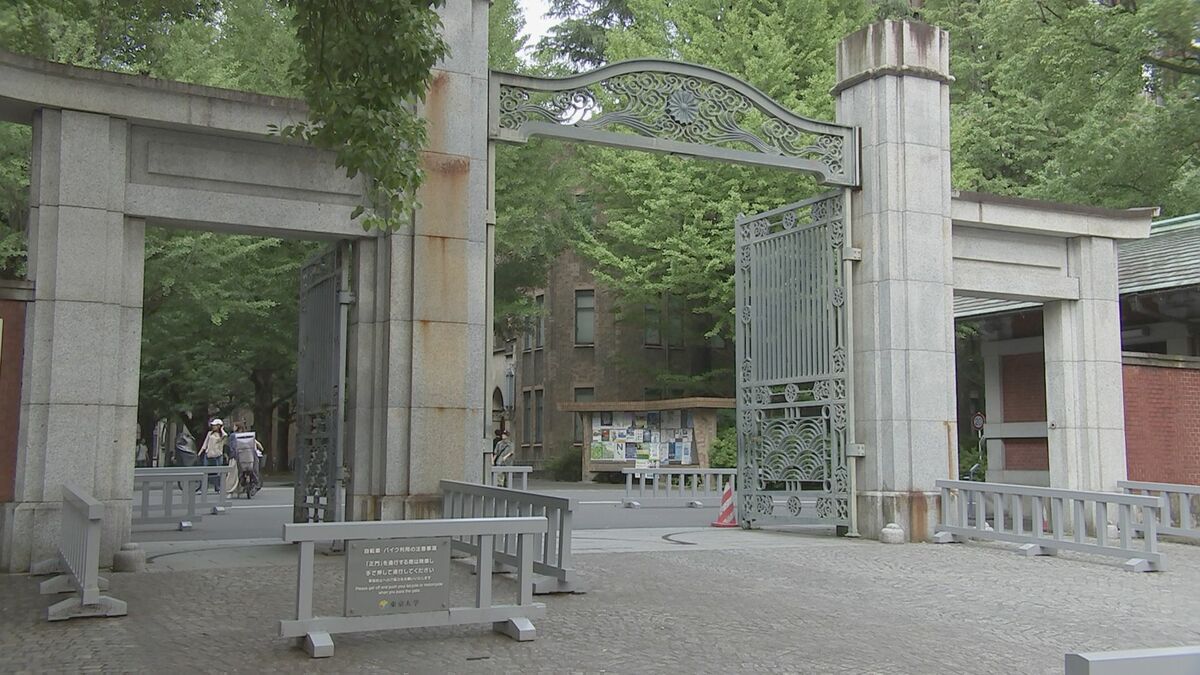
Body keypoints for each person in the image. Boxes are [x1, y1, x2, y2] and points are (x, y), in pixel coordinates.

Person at [198, 418, 228, 493]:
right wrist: (200, 452)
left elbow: (225, 435)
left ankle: (217, 488)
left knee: (218, 472)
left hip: (218, 455)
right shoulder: (209, 433)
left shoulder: (222, 435)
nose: (213, 426)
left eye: (215, 425)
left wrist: (222, 429)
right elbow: (205, 444)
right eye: (213, 425)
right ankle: (203, 488)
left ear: (219, 426)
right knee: (205, 472)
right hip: (208, 454)